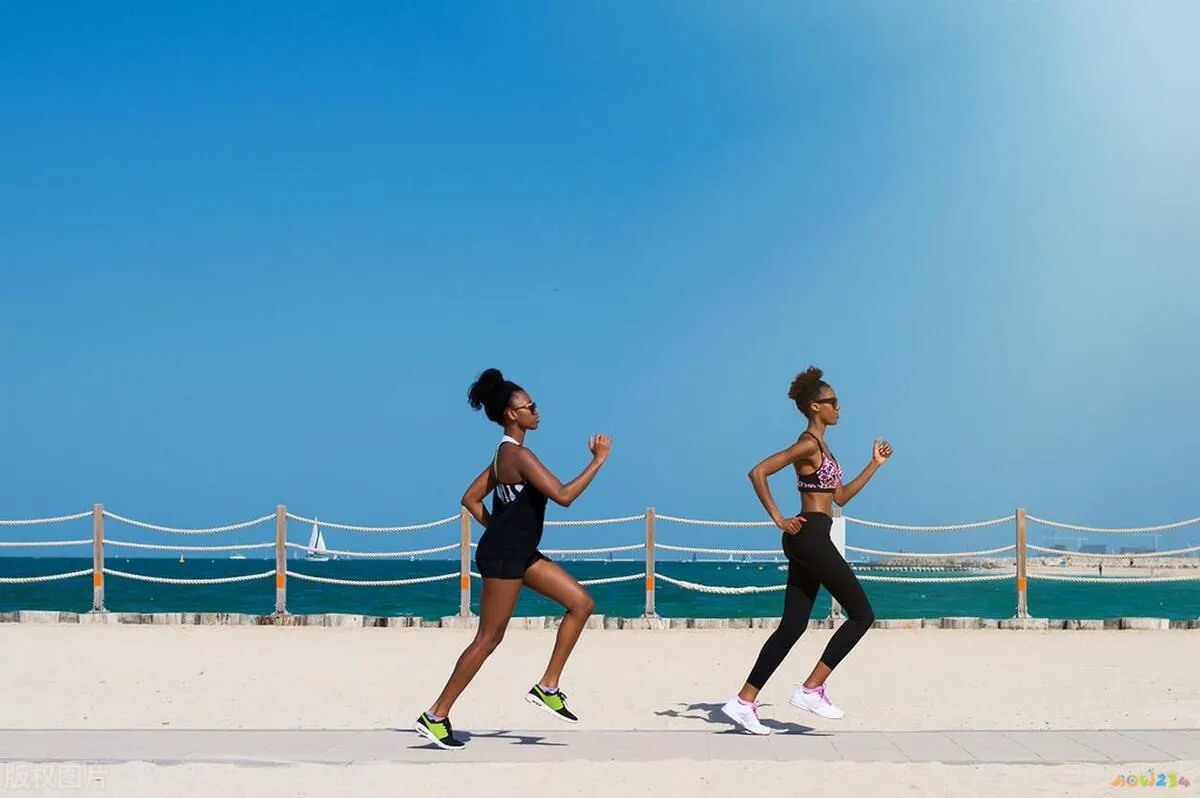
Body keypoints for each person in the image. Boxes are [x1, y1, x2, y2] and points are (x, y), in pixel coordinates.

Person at [414, 368, 612, 750]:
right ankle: (435, 715)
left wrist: (498, 529)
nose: (537, 411)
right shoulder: (517, 455)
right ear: (511, 414)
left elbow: (470, 499)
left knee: (581, 603)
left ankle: (547, 686)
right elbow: (564, 496)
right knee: (489, 638)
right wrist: (598, 461)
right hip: (506, 556)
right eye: (529, 406)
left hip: (517, 552)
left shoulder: (502, 455)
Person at [721, 366, 892, 735]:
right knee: (862, 614)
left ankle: (743, 701)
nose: (839, 408)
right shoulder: (808, 444)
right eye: (832, 402)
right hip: (808, 535)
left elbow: (840, 497)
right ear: (815, 407)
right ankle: (811, 688)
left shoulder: (823, 446)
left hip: (812, 535)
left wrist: (874, 466)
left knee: (793, 625)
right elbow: (759, 471)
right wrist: (778, 517)